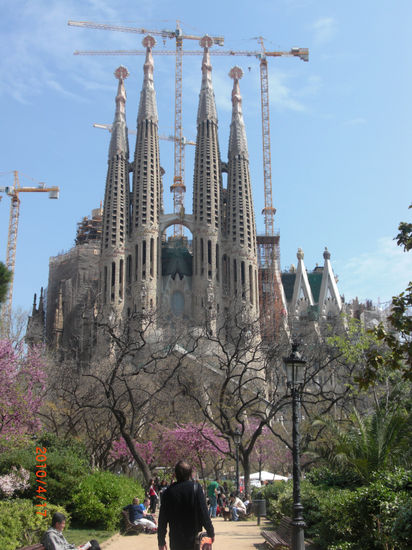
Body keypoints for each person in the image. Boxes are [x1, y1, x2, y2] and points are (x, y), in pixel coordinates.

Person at [158, 460, 215, 550]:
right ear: (190, 474)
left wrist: (161, 540)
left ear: (175, 475)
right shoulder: (196, 488)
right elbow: (204, 513)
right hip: (194, 538)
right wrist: (211, 533)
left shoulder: (168, 492)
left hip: (175, 539)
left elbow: (162, 519)